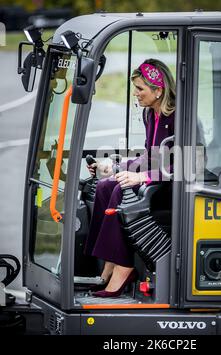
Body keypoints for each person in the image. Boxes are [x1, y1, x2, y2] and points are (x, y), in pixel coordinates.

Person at [84, 58, 176, 298]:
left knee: (119, 190)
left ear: (158, 90)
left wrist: (140, 177)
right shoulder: (151, 115)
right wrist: (114, 167)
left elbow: (187, 166)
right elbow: (149, 156)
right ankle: (110, 263)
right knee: (105, 186)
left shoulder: (180, 117)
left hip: (172, 189)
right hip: (155, 180)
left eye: (140, 88)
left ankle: (124, 267)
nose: (136, 94)